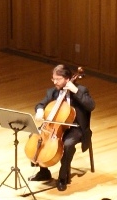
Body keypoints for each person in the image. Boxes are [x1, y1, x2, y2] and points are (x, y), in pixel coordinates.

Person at [31, 63, 95, 191]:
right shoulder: (53, 92)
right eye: (53, 79)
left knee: (68, 144)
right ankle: (44, 171)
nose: (55, 82)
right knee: (36, 136)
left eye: (57, 79)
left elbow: (91, 105)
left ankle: (62, 177)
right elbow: (40, 104)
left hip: (76, 127)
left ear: (67, 79)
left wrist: (75, 91)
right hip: (55, 127)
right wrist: (39, 110)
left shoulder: (81, 90)